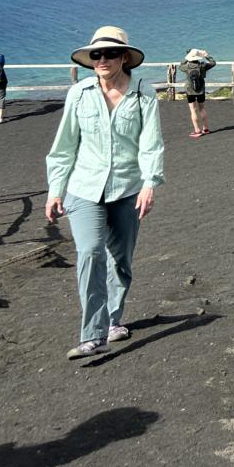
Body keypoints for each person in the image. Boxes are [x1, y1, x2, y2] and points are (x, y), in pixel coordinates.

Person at [44, 26, 163, 360]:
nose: (102, 59)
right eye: (96, 54)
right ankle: (92, 335)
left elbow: (150, 144)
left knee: (120, 260)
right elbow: (63, 148)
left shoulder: (143, 93)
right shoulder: (79, 94)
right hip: (83, 188)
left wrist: (150, 184)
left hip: (128, 189)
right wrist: (56, 191)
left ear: (124, 57)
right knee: (91, 253)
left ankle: (114, 320)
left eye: (110, 53)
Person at [180, 48, 217, 137]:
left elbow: (181, 65)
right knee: (202, 108)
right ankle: (206, 128)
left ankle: (197, 130)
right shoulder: (202, 66)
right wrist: (206, 55)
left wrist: (187, 56)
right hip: (201, 90)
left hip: (189, 90)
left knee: (193, 110)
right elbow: (213, 63)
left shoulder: (186, 67)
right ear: (198, 57)